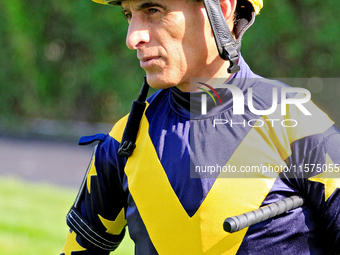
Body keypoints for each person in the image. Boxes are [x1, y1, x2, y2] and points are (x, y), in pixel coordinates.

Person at [60, 0, 340, 254]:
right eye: (128, 15)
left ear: (224, 7)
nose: (133, 37)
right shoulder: (123, 139)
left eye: (154, 11)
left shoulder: (300, 125)